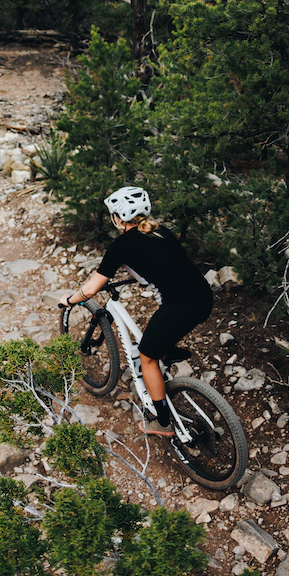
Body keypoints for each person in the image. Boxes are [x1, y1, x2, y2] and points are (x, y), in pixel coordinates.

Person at [58, 186, 213, 436]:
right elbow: (164, 264)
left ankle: (162, 423)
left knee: (146, 356)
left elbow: (91, 288)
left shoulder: (121, 245)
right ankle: (166, 352)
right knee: (164, 331)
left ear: (118, 219)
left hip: (179, 305)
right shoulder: (162, 231)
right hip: (203, 298)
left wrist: (71, 300)